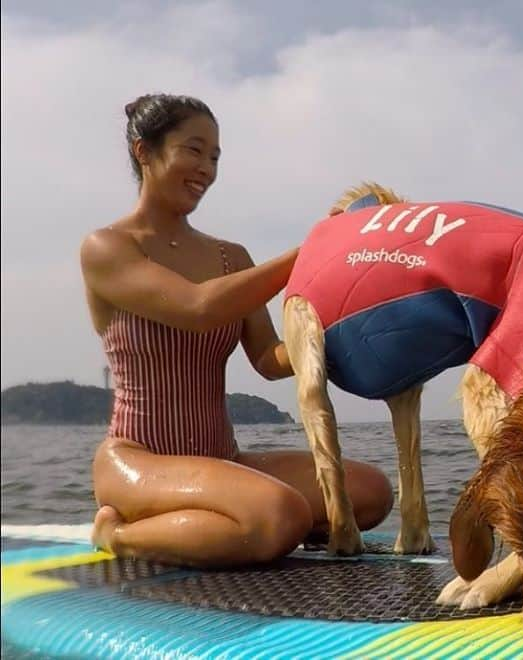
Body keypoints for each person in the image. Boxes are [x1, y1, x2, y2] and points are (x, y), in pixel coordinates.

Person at [79, 93, 393, 567]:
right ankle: (118, 533)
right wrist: (317, 248)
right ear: (144, 151)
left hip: (221, 458)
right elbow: (197, 307)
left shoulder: (232, 257)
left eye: (215, 157)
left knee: (368, 492)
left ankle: (239, 521)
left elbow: (269, 359)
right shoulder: (108, 248)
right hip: (138, 461)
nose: (206, 167)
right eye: (193, 150)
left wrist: (351, 333)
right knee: (279, 513)